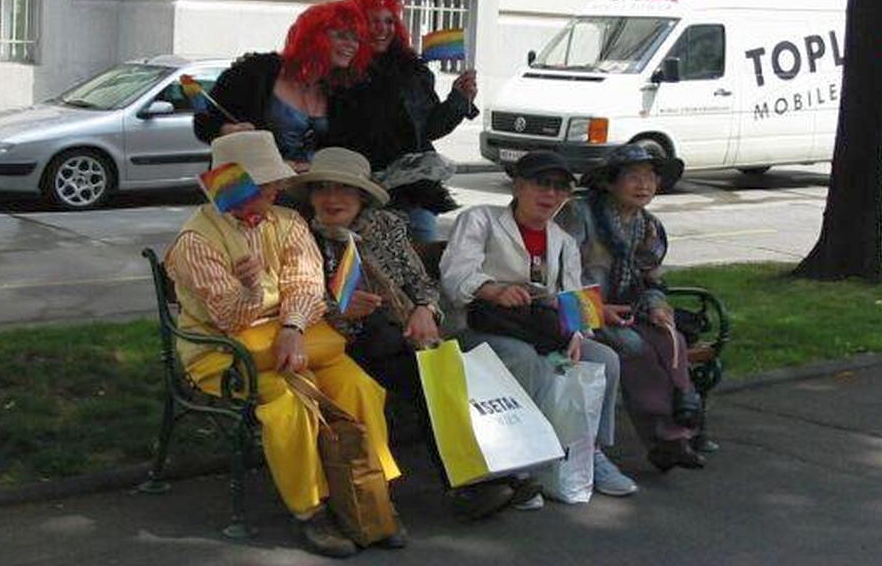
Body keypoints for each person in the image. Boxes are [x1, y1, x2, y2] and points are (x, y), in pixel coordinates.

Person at [164, 130, 402, 558]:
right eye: (267, 183)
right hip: (225, 353)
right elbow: (228, 318)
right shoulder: (196, 241)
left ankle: (371, 496)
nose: (278, 189)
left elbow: (306, 283)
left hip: (299, 337)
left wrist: (292, 327)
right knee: (289, 406)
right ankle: (310, 509)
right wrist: (252, 290)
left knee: (359, 387)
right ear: (240, 186)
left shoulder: (287, 222)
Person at [295, 146, 520, 520]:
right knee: (429, 376)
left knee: (441, 371)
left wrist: (424, 310)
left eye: (345, 189)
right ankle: (471, 483)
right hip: (340, 345)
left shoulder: (386, 227)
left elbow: (422, 283)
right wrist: (337, 309)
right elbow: (294, 298)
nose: (332, 199)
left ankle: (490, 473)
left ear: (362, 196)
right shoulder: (300, 236)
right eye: (323, 189)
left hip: (400, 337)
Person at [439, 150, 638, 505]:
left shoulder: (562, 240)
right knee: (523, 358)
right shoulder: (481, 219)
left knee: (602, 358)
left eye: (560, 187)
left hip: (540, 329)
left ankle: (588, 450)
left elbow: (574, 296)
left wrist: (576, 334)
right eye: (541, 184)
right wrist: (493, 290)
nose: (550, 194)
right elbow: (456, 274)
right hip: (481, 327)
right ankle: (520, 465)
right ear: (518, 186)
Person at [555, 143, 706, 471]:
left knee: (672, 340)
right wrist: (598, 310)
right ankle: (663, 438)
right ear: (610, 182)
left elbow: (650, 279)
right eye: (634, 177)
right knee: (633, 346)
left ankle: (681, 432)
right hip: (575, 310)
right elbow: (559, 273)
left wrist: (657, 306)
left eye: (650, 178)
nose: (644, 185)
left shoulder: (648, 225)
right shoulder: (579, 214)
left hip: (626, 310)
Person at [329, 0, 479, 241]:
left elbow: (430, 128)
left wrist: (458, 99)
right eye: (374, 21)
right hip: (358, 185)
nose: (382, 29)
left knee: (422, 246)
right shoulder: (341, 71)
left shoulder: (413, 71)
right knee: (365, 253)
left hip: (412, 187)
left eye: (389, 21)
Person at [193, 0, 370, 171]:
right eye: (341, 36)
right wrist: (226, 130)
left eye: (356, 39)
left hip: (308, 186)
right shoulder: (255, 72)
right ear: (313, 37)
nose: (352, 45)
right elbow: (203, 122)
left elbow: (345, 147)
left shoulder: (342, 90)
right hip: (247, 184)